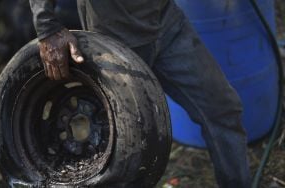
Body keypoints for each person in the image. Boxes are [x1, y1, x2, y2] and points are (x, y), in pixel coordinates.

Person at [29, 0, 251, 187]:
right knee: (125, 153)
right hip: (114, 40)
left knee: (223, 109)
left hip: (167, 23)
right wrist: (47, 28)